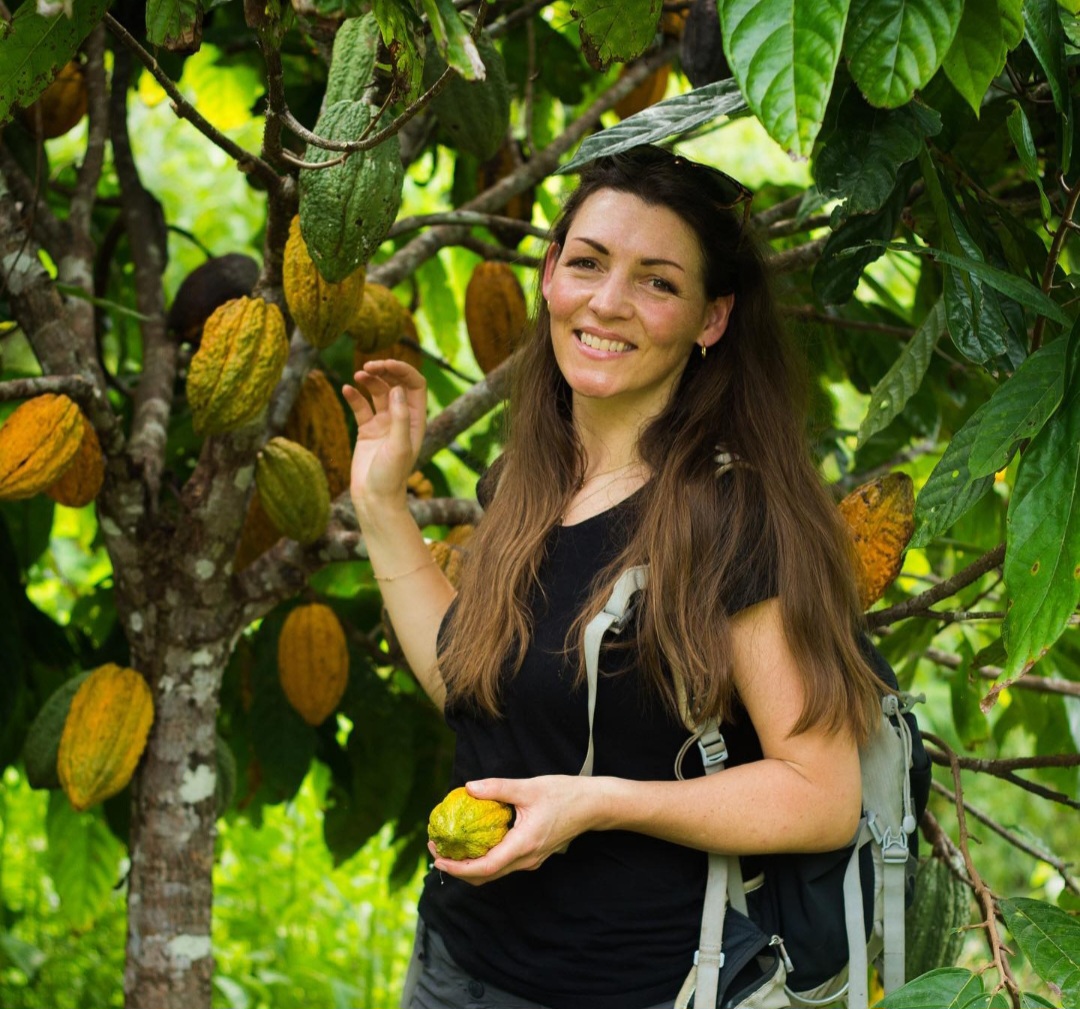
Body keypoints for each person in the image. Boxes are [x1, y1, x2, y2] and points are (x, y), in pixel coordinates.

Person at [343, 144, 886, 1009]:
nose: (606, 302)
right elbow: (468, 680)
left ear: (711, 319)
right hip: (455, 963)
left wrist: (599, 802)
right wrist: (379, 503)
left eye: (657, 282)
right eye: (588, 262)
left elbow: (820, 794)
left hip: (637, 983)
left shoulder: (735, 519)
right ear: (551, 273)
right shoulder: (530, 475)